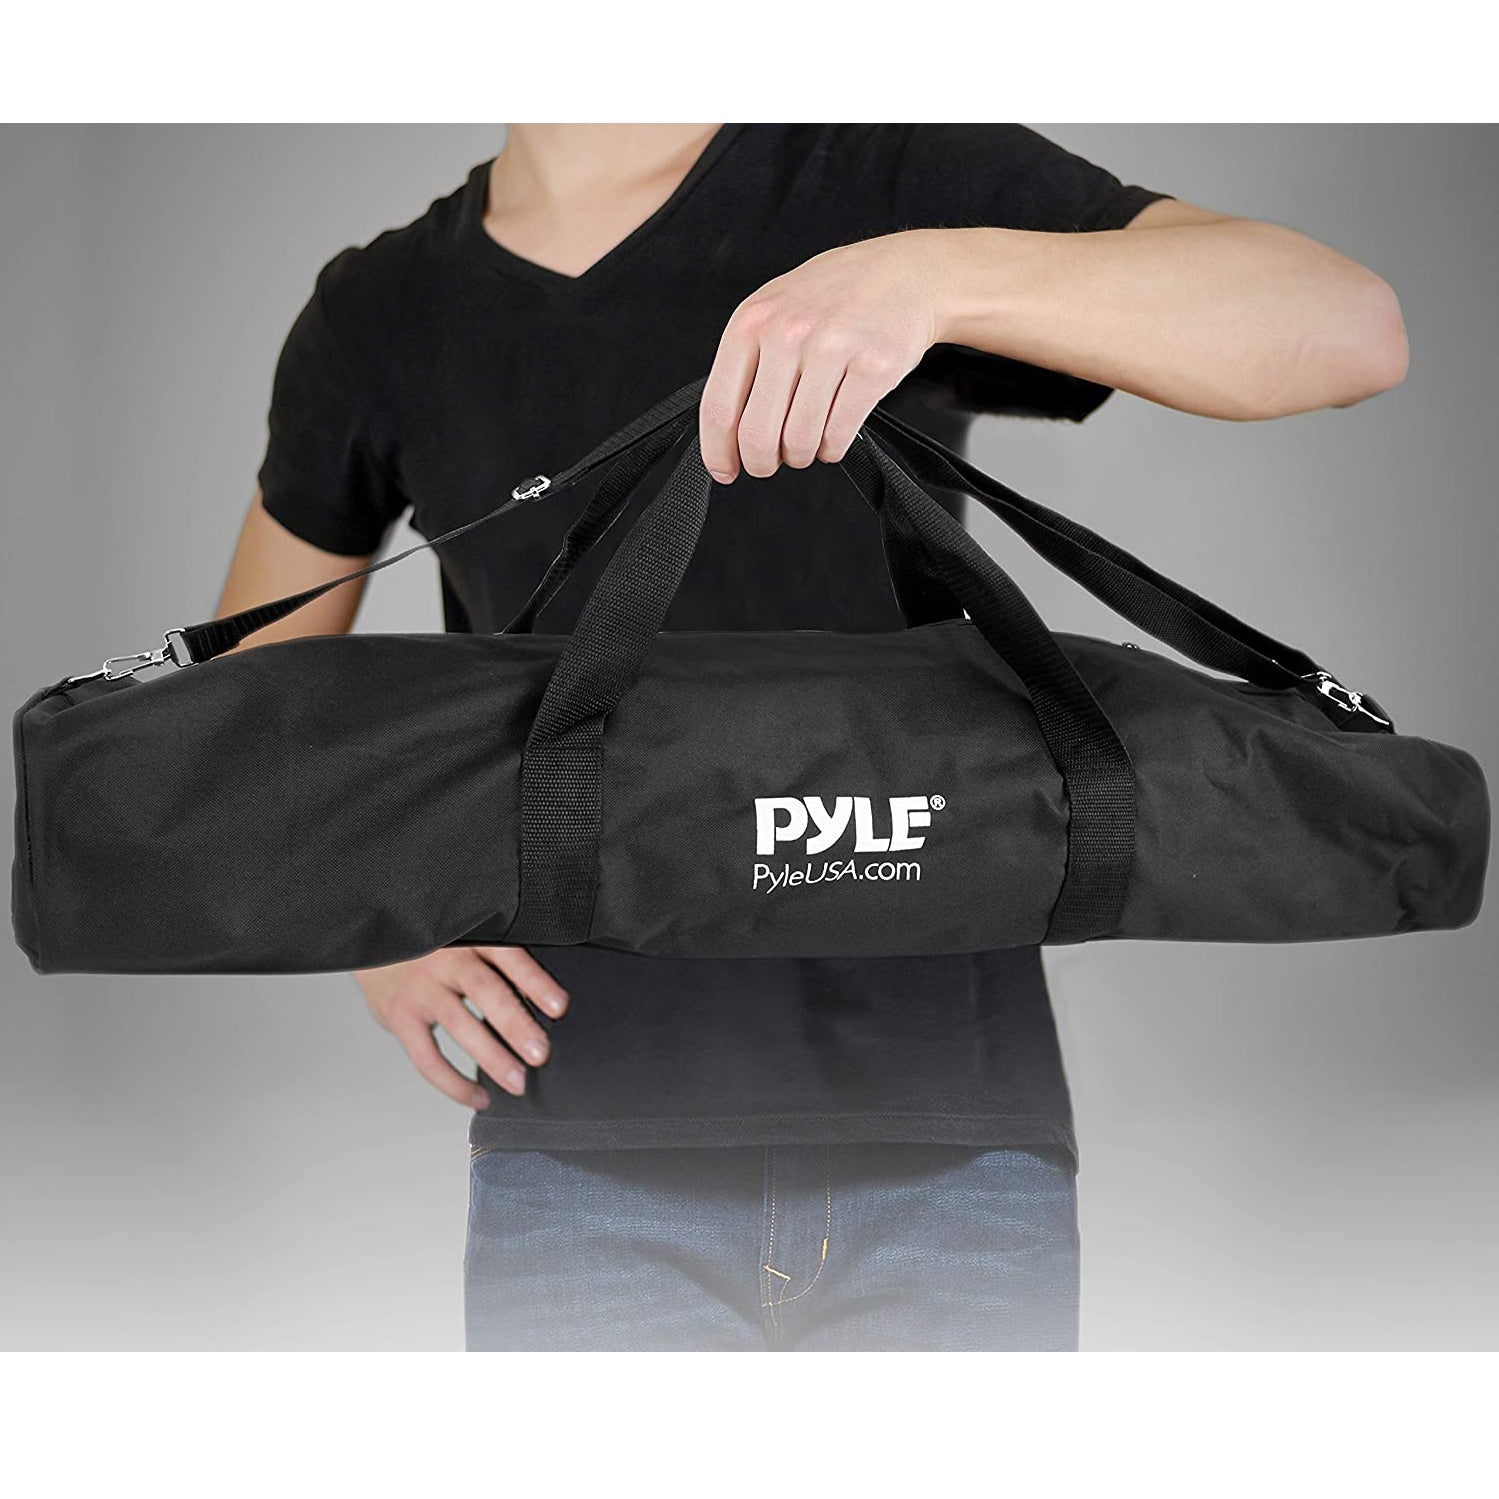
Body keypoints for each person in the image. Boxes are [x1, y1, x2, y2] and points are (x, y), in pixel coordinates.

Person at [218, 124, 1406, 1351]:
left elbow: (1345, 327)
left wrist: (929, 276)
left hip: (953, 1143)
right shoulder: (382, 310)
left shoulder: (884, 174)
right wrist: (375, 933)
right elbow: (250, 708)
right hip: (582, 1153)